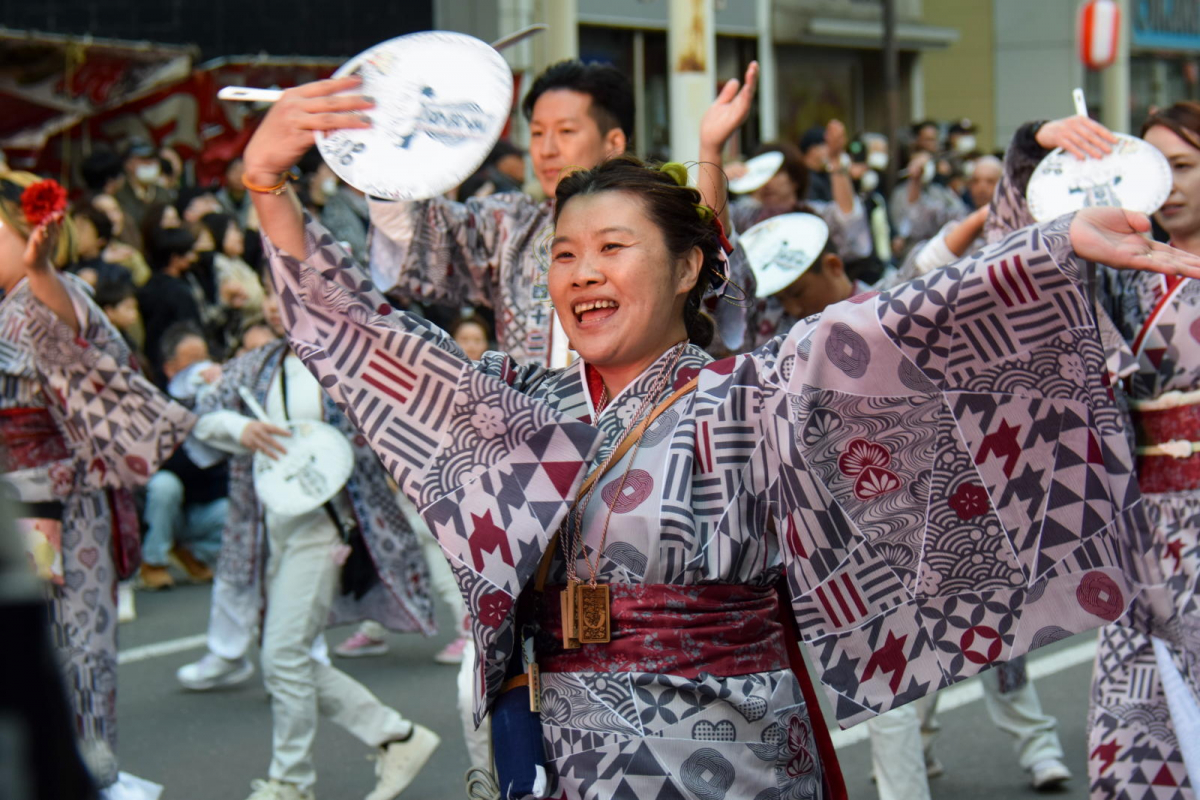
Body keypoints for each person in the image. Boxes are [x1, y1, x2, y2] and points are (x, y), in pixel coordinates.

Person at [243, 74, 1199, 798]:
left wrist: (1047, 248)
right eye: (565, 255)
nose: (582, 273)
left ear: (688, 267)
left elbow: (897, 325)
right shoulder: (520, 403)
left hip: (731, 752)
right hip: (566, 750)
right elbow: (374, 339)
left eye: (613, 248)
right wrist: (268, 181)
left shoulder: (754, 391)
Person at [986, 102, 1200, 800]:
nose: (1171, 185)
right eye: (1158, 168)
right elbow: (1012, 273)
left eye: (1185, 166)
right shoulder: (1118, 272)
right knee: (1138, 742)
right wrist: (1036, 152)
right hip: (1145, 534)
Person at [177, 278, 438, 800]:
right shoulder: (257, 363)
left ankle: (291, 780)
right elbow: (199, 416)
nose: (277, 306)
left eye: (289, 293)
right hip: (273, 525)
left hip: (327, 526)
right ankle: (395, 736)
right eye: (270, 293)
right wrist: (241, 431)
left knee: (283, 654)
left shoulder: (346, 361)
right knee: (289, 655)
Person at [0, 169, 193, 798]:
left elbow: (80, 340)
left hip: (55, 503)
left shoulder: (49, 294)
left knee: (74, 648)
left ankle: (90, 774)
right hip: (14, 507)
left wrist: (41, 272)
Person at [368, 58, 756, 367]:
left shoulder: (652, 216)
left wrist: (711, 151)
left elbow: (714, 269)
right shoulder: (511, 223)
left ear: (613, 141)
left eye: (566, 131)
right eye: (537, 133)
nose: (547, 149)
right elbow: (421, 234)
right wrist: (383, 147)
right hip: (536, 426)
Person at [139, 323, 228, 590]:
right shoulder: (156, 406)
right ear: (170, 368)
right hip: (165, 508)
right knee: (165, 485)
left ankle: (191, 553)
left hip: (203, 507)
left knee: (237, 512)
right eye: (191, 361)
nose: (200, 368)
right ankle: (153, 561)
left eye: (204, 359)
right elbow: (159, 464)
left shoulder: (218, 399)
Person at [137, 226, 204, 385]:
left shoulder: (147, 286)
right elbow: (191, 327)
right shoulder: (179, 292)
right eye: (188, 253)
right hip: (180, 365)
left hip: (153, 361)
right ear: (175, 258)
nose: (193, 258)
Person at [115, 139, 173, 231]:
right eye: (144, 159)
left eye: (153, 159)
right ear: (128, 164)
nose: (150, 163)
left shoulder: (163, 193)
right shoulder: (119, 195)